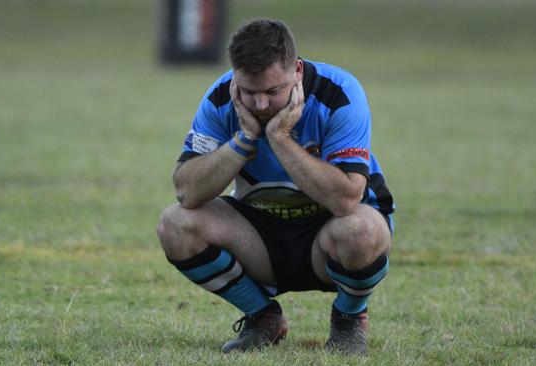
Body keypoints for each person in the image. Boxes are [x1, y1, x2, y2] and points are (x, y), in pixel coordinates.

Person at [156, 18, 395, 355]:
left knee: (363, 231)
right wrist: (245, 139)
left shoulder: (339, 92)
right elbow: (186, 191)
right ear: (236, 76)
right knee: (174, 224)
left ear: (297, 71)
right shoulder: (221, 97)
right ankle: (262, 317)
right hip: (261, 237)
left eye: (272, 91)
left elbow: (346, 199)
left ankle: (349, 320)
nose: (262, 104)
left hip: (331, 234)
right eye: (250, 93)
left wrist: (280, 138)